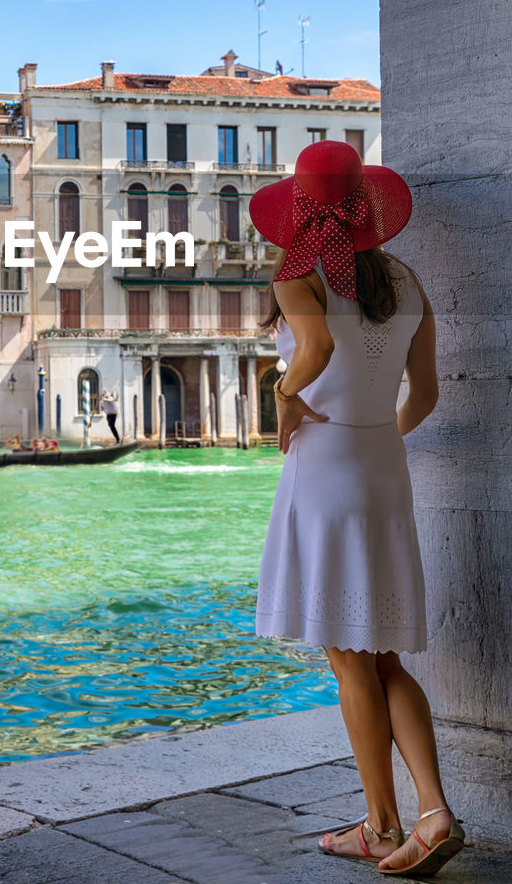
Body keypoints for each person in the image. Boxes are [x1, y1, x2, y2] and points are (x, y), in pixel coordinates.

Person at [249, 141, 465, 877]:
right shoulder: (405, 279)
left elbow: (308, 351)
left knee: (347, 656)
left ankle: (379, 825)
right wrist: (373, 438)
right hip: (381, 464)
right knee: (381, 655)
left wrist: (282, 398)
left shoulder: (296, 275)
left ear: (298, 212)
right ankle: (431, 814)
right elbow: (425, 395)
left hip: (327, 469)